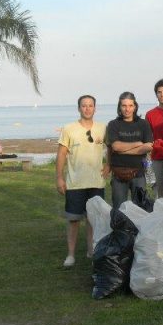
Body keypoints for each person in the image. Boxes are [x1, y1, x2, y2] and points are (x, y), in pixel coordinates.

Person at [56, 95, 109, 267]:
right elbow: (62, 154)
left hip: (96, 182)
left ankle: (91, 251)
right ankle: (70, 255)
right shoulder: (69, 129)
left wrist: (108, 165)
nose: (87, 109)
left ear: (95, 108)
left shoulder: (103, 128)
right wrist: (59, 178)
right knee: (73, 220)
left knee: (93, 220)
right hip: (75, 183)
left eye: (90, 105)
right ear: (79, 108)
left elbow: (112, 149)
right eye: (84, 106)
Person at [106, 91, 153, 210]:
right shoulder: (113, 124)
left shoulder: (143, 124)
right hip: (118, 174)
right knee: (119, 209)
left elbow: (148, 147)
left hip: (139, 173)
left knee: (140, 208)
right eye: (124, 105)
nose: (127, 109)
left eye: (130, 105)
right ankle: (119, 229)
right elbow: (115, 146)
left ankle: (138, 229)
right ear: (119, 107)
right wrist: (137, 144)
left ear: (135, 106)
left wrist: (123, 150)